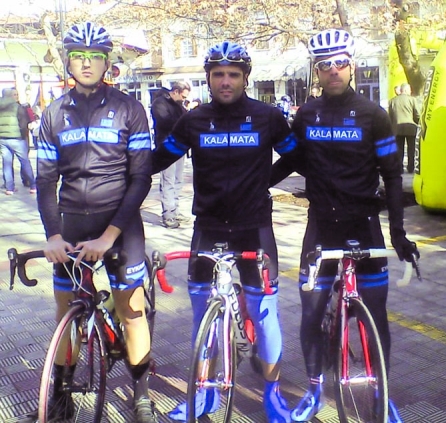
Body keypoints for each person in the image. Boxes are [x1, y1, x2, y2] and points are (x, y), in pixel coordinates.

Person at [270, 28, 419, 423]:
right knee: (310, 313)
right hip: (321, 226)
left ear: (351, 66)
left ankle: (381, 392)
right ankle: (314, 390)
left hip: (364, 224)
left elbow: (392, 175)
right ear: (316, 71)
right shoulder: (307, 114)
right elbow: (292, 160)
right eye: (325, 65)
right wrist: (254, 185)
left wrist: (399, 233)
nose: (333, 70)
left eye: (340, 63)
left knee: (377, 317)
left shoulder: (375, 115)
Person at [152, 41, 293, 423]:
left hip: (254, 228)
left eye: (233, 74)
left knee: (265, 313)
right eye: (218, 74)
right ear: (208, 78)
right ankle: (205, 393)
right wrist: (117, 177)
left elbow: (297, 155)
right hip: (209, 226)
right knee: (202, 318)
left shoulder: (267, 116)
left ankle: (273, 395)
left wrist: (264, 180)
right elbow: (159, 158)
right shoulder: (194, 120)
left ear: (246, 77)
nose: (225, 81)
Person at [34, 22, 155, 422]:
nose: (86, 64)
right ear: (68, 62)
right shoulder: (54, 113)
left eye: (95, 57)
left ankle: (141, 394)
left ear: (107, 63)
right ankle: (61, 394)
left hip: (120, 225)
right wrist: (53, 236)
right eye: (79, 56)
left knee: (131, 311)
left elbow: (141, 178)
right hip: (71, 222)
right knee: (65, 313)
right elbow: (46, 181)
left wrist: (110, 235)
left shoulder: (129, 108)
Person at [150, 80, 190, 229]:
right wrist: (182, 123)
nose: (184, 100)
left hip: (180, 147)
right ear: (176, 92)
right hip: (166, 147)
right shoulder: (160, 103)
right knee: (168, 181)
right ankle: (168, 214)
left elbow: (186, 120)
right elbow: (165, 122)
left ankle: (175, 210)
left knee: (178, 180)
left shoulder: (179, 105)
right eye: (183, 97)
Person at [0, 88, 36, 195]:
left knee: (6, 163)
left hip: (3, 139)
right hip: (17, 138)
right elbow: (23, 123)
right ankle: (33, 185)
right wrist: (23, 135)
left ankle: (9, 188)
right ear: (11, 95)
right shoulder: (17, 107)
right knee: (25, 162)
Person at [388, 83, 420, 173]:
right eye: (409, 90)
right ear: (405, 90)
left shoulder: (392, 101)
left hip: (397, 129)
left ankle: (399, 168)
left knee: (399, 150)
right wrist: (418, 123)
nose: (410, 91)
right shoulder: (412, 100)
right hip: (411, 128)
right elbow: (417, 114)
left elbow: (390, 116)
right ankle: (411, 168)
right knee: (411, 149)